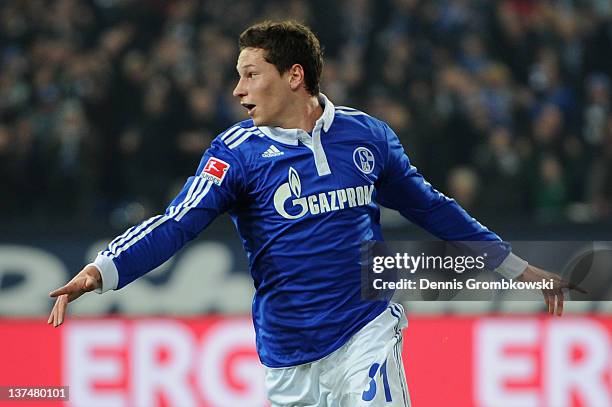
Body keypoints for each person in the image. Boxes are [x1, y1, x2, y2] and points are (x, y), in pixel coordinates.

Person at [48, 20, 581, 406]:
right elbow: (176, 222)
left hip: (364, 329)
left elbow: (433, 209)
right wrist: (101, 269)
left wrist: (517, 268)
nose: (238, 90)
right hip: (288, 355)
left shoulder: (366, 135)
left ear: (294, 75)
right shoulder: (236, 154)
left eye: (251, 75)